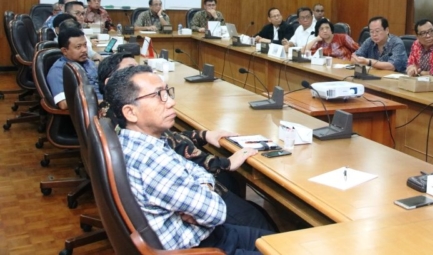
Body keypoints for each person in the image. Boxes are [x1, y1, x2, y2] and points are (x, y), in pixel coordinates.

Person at [98, 54, 276, 232]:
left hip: (191, 203)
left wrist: (204, 181)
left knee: (253, 212)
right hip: (198, 235)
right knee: (257, 221)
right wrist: (222, 167)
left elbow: (185, 159)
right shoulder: (153, 159)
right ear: (129, 111)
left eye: (167, 93)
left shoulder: (138, 135)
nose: (171, 102)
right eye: (158, 95)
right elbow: (215, 212)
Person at [46, 28, 102, 110]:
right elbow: (64, 104)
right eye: (78, 47)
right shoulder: (58, 71)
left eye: (85, 45)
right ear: (64, 51)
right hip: (91, 110)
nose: (84, 50)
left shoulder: (88, 62)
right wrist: (100, 102)